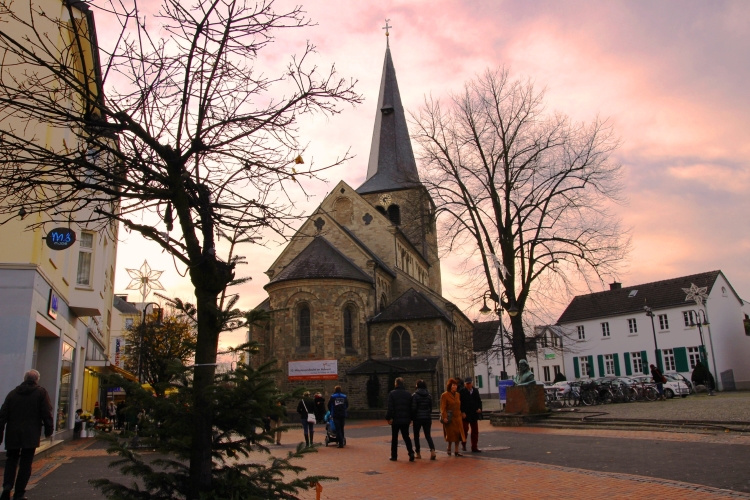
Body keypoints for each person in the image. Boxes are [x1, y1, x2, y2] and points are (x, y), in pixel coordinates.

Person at [0, 370, 54, 500]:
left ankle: (7, 488)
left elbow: (2, 415)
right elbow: (46, 412)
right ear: (37, 380)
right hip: (31, 433)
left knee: (11, 460)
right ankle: (19, 494)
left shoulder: (12, 394)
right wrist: (49, 430)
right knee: (26, 463)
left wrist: (0, 431)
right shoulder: (41, 393)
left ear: (24, 379)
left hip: (13, 432)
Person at [385, 377, 414, 462]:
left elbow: (390, 407)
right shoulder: (408, 394)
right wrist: (410, 418)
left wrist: (388, 417)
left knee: (395, 438)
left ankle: (394, 456)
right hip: (405, 419)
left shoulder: (392, 394)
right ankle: (411, 453)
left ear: (396, 384)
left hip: (396, 419)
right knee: (406, 437)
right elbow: (411, 408)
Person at [440, 378, 465, 457]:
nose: (455, 387)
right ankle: (449, 447)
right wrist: (444, 417)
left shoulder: (458, 395)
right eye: (453, 385)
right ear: (450, 386)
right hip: (450, 417)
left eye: (456, 385)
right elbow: (443, 407)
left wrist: (462, 413)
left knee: (458, 434)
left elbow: (459, 405)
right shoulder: (445, 395)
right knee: (451, 434)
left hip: (458, 417)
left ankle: (457, 451)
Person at [411, 379, 436, 460]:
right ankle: (432, 451)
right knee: (428, 435)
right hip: (427, 418)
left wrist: (412, 417)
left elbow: (413, 408)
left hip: (417, 418)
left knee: (416, 436)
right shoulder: (429, 395)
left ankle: (418, 453)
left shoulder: (415, 395)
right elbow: (431, 408)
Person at [459, 376, 483, 453]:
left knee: (475, 431)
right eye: (467, 384)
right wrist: (462, 412)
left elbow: (479, 401)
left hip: (474, 413)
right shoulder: (462, 392)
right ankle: (463, 443)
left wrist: (479, 408)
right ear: (465, 384)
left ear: (472, 383)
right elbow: (460, 403)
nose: (469, 385)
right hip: (465, 414)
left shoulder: (475, 391)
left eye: (470, 383)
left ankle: (474, 447)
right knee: (465, 429)